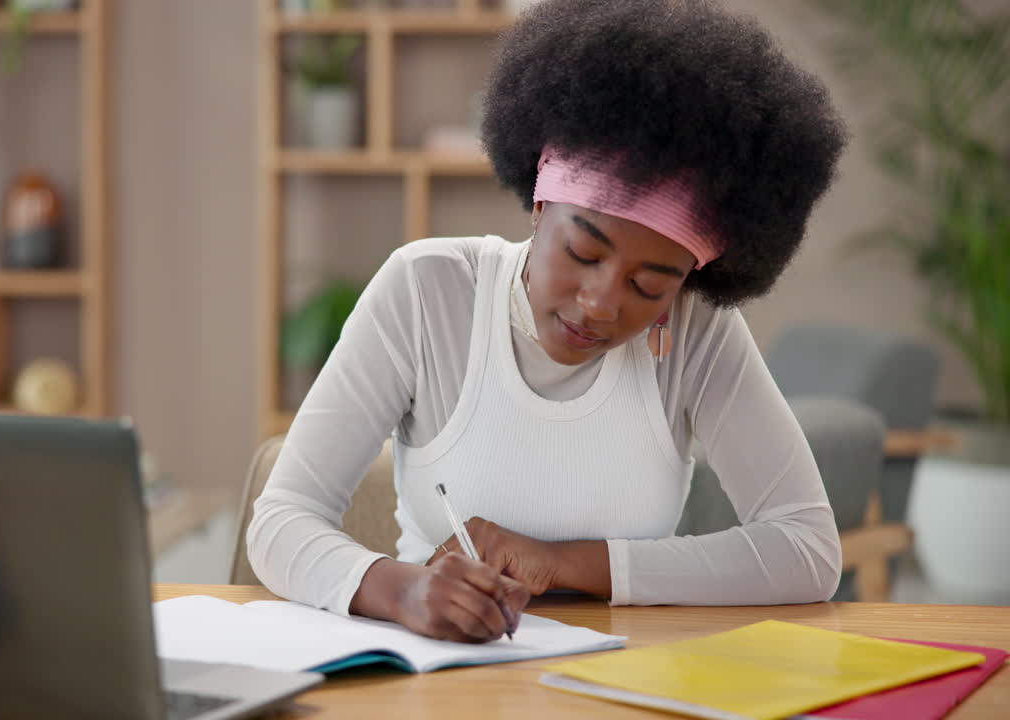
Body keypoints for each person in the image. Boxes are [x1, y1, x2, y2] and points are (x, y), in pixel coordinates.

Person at [248, 0, 849, 643]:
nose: (600, 303)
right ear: (539, 205)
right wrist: (405, 591)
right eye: (583, 253)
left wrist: (566, 562)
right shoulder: (429, 292)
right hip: (443, 673)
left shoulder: (697, 332)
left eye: (648, 286)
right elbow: (282, 520)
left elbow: (808, 550)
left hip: (625, 680)